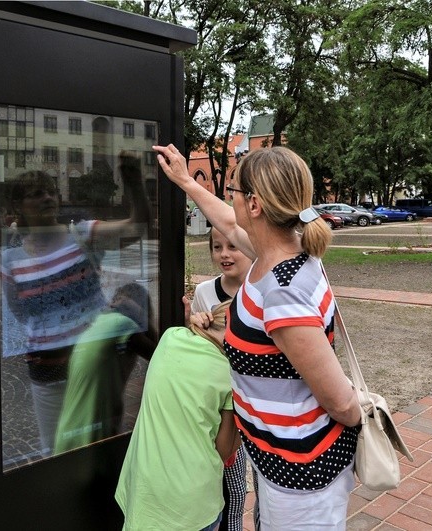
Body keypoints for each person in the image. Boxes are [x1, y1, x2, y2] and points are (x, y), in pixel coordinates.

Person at [154, 144, 362, 529]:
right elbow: (229, 224)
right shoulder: (279, 255)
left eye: (232, 190)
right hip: (279, 462)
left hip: (301, 475)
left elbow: (340, 401)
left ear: (254, 205)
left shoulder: (282, 292)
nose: (227, 198)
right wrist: (185, 180)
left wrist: (357, 419)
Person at [0, 154, 149, 457]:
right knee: (54, 454)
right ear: (19, 206)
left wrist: (134, 184)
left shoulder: (81, 234)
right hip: (48, 374)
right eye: (36, 193)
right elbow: (19, 310)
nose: (47, 197)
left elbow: (136, 228)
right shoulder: (10, 260)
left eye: (50, 191)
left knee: (102, 447)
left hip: (96, 364)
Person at [115, 301, 240, 531]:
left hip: (144, 491)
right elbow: (225, 450)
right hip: (192, 505)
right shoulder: (234, 376)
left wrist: (191, 324)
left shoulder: (170, 338)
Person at [191, 228, 253, 531]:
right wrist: (193, 320)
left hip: (257, 399)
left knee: (253, 491)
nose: (224, 254)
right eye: (217, 247)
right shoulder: (205, 292)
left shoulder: (262, 290)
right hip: (223, 405)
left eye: (233, 246)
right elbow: (198, 342)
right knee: (231, 484)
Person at [53, 282, 157, 454]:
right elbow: (160, 353)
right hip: (93, 433)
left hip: (70, 430)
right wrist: (140, 314)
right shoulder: (122, 324)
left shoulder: (100, 322)